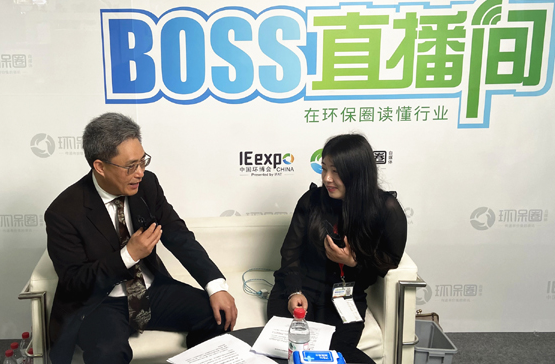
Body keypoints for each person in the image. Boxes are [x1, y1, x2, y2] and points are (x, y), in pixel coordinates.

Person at [45, 113, 238, 364]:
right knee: (108, 353)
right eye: (130, 166)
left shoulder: (147, 185)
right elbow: (75, 282)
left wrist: (215, 285)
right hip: (100, 303)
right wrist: (128, 255)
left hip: (149, 290)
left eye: (143, 161)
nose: (140, 173)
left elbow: (178, 235)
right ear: (100, 166)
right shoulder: (64, 212)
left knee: (219, 316)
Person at [267, 134, 407, 363]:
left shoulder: (385, 209)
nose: (327, 178)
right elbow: (290, 252)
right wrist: (293, 291)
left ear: (357, 173)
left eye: (336, 171)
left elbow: (388, 261)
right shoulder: (311, 201)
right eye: (324, 169)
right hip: (300, 288)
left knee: (334, 355)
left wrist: (354, 262)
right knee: (287, 351)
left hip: (345, 297)